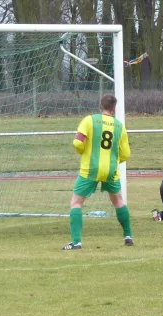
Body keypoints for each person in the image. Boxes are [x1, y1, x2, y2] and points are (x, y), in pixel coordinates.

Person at [62, 94, 133, 250]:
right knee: (118, 201)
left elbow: (77, 142)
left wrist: (83, 151)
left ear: (100, 106)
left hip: (90, 169)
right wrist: (114, 160)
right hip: (110, 170)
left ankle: (76, 242)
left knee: (76, 203)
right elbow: (126, 154)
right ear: (114, 109)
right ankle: (128, 235)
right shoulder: (119, 126)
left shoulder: (89, 120)